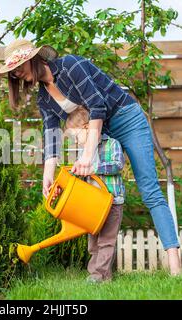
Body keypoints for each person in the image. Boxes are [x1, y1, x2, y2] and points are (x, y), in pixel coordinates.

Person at [0, 39, 181, 275]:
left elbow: (97, 105)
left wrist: (88, 154)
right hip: (99, 132)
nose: (18, 74)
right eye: (13, 72)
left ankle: (175, 266)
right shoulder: (43, 97)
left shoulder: (70, 66)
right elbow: (51, 134)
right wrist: (47, 174)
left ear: (32, 58)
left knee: (149, 190)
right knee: (97, 196)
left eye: (18, 66)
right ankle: (101, 270)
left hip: (126, 119)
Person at [65, 106, 125, 283]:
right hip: (93, 205)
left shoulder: (112, 144)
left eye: (76, 137)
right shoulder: (83, 153)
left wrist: (94, 168)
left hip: (112, 201)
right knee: (93, 242)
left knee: (106, 240)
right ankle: (96, 274)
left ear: (86, 128)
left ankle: (100, 274)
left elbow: (118, 165)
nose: (76, 142)